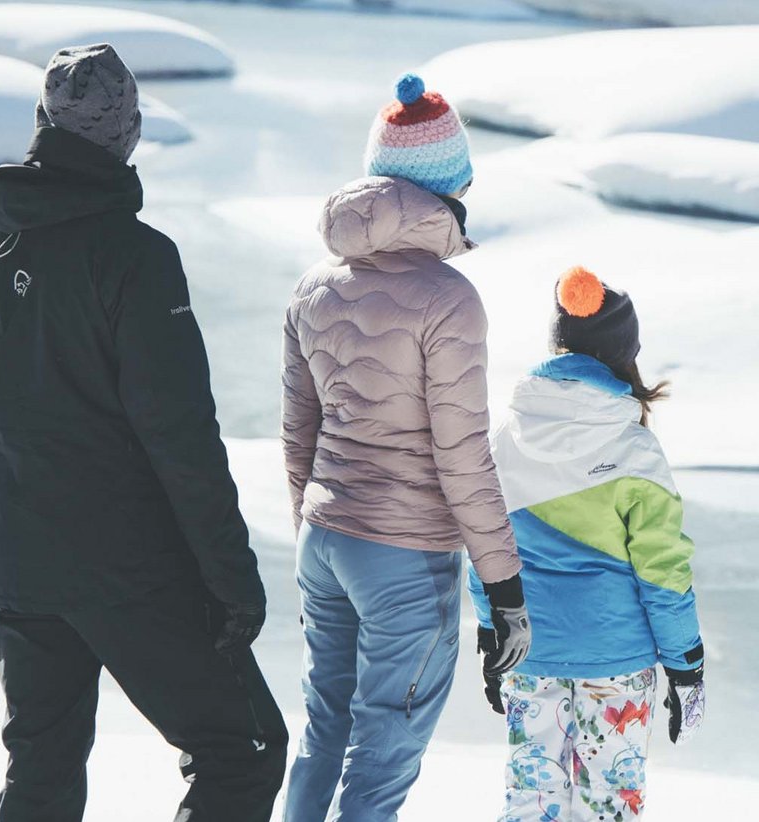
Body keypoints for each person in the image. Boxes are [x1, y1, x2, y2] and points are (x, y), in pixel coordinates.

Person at [0, 44, 287, 822]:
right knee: (246, 750)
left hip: (21, 567)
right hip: (128, 571)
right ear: (126, 134)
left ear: (43, 126)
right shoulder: (139, 258)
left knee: (41, 777)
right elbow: (181, 436)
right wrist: (231, 579)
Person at [281, 73, 531, 821]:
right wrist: (505, 594)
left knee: (324, 731)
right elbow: (463, 456)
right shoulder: (449, 299)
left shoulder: (314, 287)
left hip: (324, 542)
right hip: (404, 557)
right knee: (382, 755)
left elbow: (300, 433)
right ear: (448, 187)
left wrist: (316, 525)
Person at [473, 266, 709, 822]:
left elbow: (481, 542)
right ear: (624, 355)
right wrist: (686, 665)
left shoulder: (506, 437)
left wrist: (491, 629)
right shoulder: (633, 447)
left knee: (532, 802)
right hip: (617, 659)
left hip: (529, 651)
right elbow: (663, 572)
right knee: (609, 807)